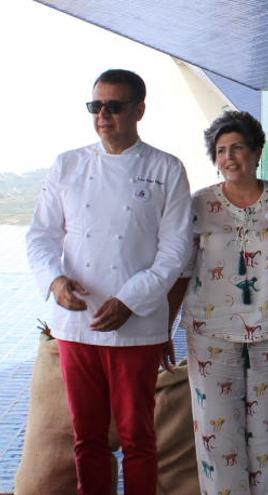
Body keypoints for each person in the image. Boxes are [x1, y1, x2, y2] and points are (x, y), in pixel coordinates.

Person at [26, 69, 192, 495]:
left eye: (114, 107)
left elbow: (175, 252)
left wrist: (129, 300)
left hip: (135, 327)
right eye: (96, 106)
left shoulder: (166, 168)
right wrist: (55, 280)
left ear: (139, 109)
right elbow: (41, 235)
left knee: (139, 439)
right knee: (87, 439)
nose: (103, 115)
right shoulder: (68, 164)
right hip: (76, 325)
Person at [166, 110, 268, 493]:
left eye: (238, 147)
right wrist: (165, 325)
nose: (229, 157)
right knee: (215, 428)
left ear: (257, 152)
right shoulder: (198, 205)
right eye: (221, 150)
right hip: (211, 332)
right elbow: (182, 269)